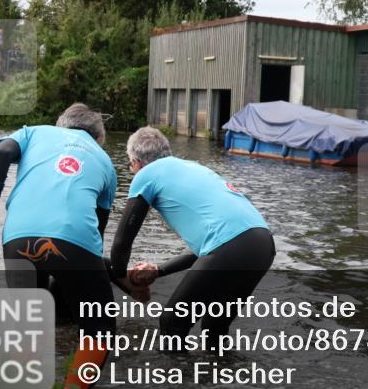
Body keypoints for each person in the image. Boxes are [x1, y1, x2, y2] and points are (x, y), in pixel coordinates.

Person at [0, 102, 141, 389]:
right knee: (99, 329)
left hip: (18, 238)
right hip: (74, 242)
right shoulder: (105, 163)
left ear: (59, 125)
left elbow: (0, 154)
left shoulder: (34, 133)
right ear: (99, 137)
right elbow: (96, 233)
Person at [111, 126, 275, 339]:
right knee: (214, 327)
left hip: (231, 247)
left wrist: (125, 279)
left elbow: (122, 242)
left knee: (172, 323)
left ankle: (174, 373)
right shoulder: (192, 167)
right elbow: (213, 249)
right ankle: (220, 369)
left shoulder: (146, 174)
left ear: (136, 162)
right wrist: (159, 270)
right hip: (262, 244)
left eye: (130, 164)